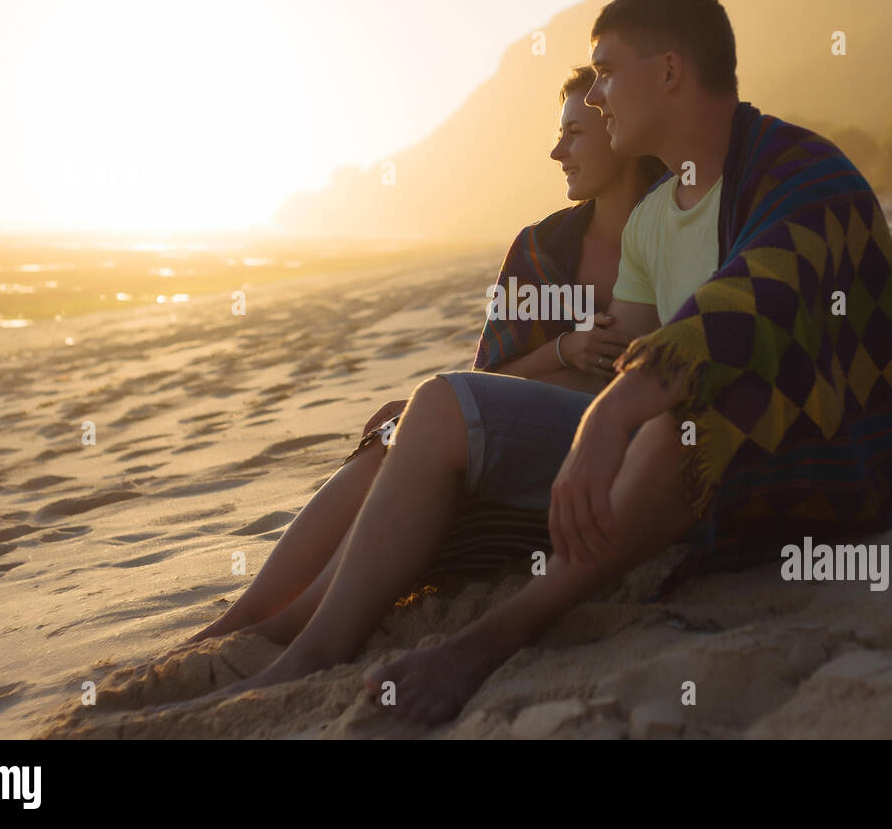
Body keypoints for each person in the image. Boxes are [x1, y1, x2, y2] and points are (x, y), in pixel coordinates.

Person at [209, 0, 892, 726]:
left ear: (668, 72)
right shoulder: (653, 220)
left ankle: (489, 639)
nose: (594, 98)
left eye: (605, 73)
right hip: (652, 463)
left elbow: (750, 306)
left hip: (800, 452)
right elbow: (624, 350)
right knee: (434, 406)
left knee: (680, 420)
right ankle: (301, 642)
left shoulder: (801, 171)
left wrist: (613, 415)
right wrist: (568, 402)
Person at [181, 66, 664, 651]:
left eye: (574, 133)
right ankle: (240, 624)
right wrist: (567, 348)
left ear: (618, 129)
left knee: (417, 420)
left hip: (596, 460)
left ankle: (287, 630)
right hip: (515, 433)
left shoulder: (678, 229)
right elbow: (488, 382)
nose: (557, 150)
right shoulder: (540, 249)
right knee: (396, 426)